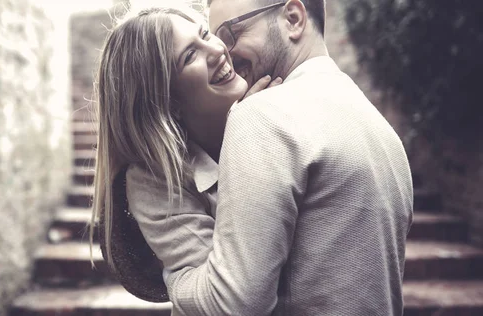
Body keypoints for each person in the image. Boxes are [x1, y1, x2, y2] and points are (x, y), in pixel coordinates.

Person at [159, 0, 414, 315]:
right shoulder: (383, 131)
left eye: (231, 34)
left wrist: (176, 277)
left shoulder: (260, 115)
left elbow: (233, 303)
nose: (224, 51)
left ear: (293, 19)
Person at [90, 3, 280, 303]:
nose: (217, 50)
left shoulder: (273, 97)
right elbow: (231, 298)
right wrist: (244, 138)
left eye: (205, 34)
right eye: (190, 55)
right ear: (167, 100)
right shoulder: (153, 181)